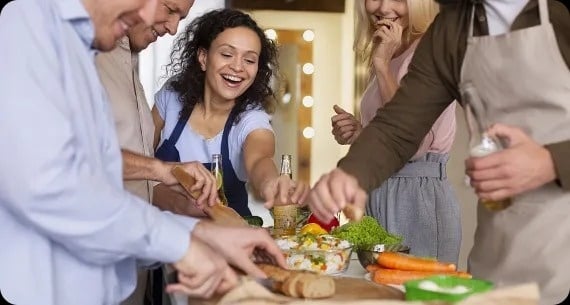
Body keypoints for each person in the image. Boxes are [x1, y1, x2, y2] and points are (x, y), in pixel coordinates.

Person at [0, 1, 285, 305]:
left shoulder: (93, 46)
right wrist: (184, 240)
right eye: (164, 5)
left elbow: (98, 163)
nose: (163, 23)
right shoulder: (24, 23)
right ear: (203, 58)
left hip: (115, 273)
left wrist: (194, 230)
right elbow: (50, 183)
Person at [308, 0, 570, 304]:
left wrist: (552, 161)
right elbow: (399, 126)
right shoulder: (453, 27)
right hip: (498, 246)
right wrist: (350, 175)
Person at [95, 1, 215, 305]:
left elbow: (137, 182)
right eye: (169, 9)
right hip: (94, 268)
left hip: (133, 265)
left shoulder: (130, 57)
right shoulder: (88, 55)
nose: (173, 28)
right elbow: (81, 160)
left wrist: (180, 205)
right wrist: (164, 170)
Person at [331, 0, 460, 263]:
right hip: (380, 190)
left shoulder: (430, 49)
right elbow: (390, 131)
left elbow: (415, 142)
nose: (383, 7)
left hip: (417, 196)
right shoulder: (389, 50)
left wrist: (381, 64)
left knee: (419, 298)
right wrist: (361, 133)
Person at [152, 9, 310, 217]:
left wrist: (271, 184)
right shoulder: (172, 94)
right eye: (227, 54)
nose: (237, 67)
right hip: (160, 236)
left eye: (250, 60)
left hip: (229, 240)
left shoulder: (252, 118)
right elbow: (140, 153)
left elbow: (260, 159)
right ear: (203, 57)